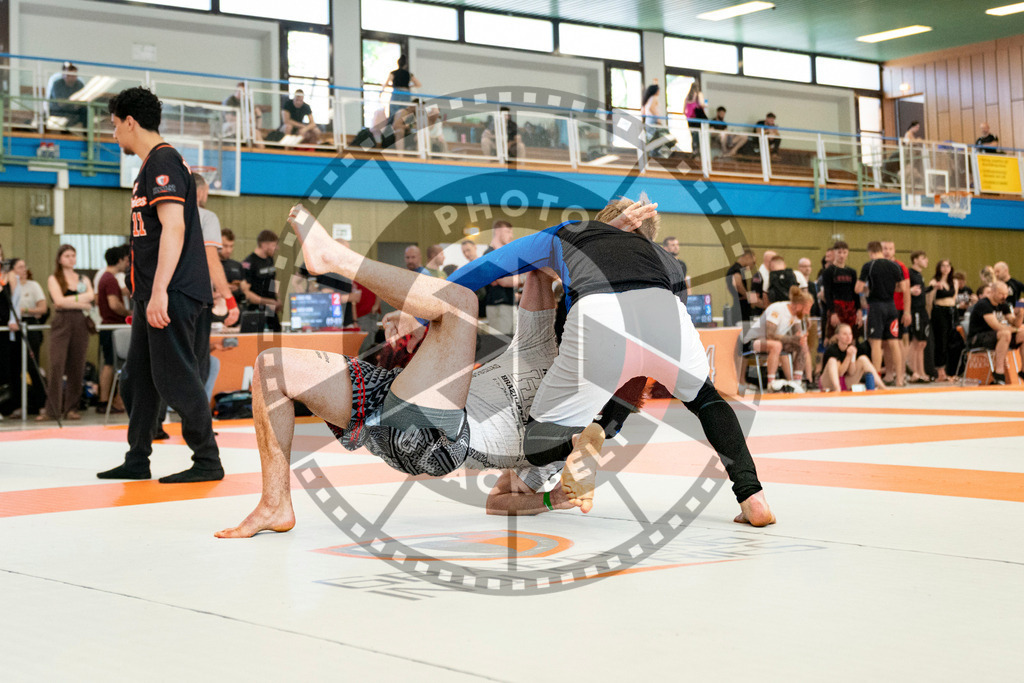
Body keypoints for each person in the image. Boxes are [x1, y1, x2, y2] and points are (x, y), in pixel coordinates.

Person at [215, 211, 576, 538]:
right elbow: (540, 255)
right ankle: (274, 504)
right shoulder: (541, 343)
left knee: (462, 303)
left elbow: (498, 502)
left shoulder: (570, 426)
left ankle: (336, 258)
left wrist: (552, 498)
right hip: (396, 406)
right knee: (273, 367)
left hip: (442, 440)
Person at [443, 197, 774, 525]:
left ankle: (576, 443)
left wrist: (426, 310)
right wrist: (608, 424)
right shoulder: (666, 258)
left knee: (537, 444)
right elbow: (638, 369)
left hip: (596, 322)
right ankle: (752, 495)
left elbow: (486, 268)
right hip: (663, 314)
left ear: (599, 222)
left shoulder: (567, 235)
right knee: (706, 400)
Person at [96, 86, 221, 483]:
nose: (114, 134)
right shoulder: (150, 164)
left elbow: (174, 227)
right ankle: (137, 458)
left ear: (130, 122)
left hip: (172, 291)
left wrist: (161, 290)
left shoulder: (163, 160)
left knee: (176, 376)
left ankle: (207, 460)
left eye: (115, 126)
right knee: (138, 378)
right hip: (150, 291)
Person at [40, 245, 93, 421]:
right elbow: (59, 302)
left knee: (77, 366)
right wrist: (80, 301)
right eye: (67, 255)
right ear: (60, 259)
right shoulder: (54, 278)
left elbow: (91, 297)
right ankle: (52, 409)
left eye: (73, 255)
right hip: (61, 321)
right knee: (56, 364)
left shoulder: (83, 278)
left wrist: (72, 301)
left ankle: (71, 407)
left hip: (80, 322)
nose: (71, 258)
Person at [856, 241, 910, 388]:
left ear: (870, 252)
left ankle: (875, 380)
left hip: (876, 306)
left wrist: (869, 289)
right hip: (891, 307)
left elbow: (857, 288)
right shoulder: (895, 265)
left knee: (876, 343)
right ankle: (899, 379)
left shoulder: (869, 265)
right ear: (881, 250)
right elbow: (903, 287)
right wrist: (889, 288)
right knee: (894, 343)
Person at [744, 286, 813, 388]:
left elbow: (797, 335)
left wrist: (802, 337)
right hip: (752, 341)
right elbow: (770, 335)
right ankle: (771, 383)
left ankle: (797, 382)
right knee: (776, 345)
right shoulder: (778, 309)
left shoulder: (796, 314)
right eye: (807, 309)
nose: (807, 313)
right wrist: (794, 339)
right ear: (798, 305)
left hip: (773, 341)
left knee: (802, 345)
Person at [967, 281, 1024, 385]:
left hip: (997, 338)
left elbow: (1016, 324)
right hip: (978, 338)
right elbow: (997, 327)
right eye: (1001, 294)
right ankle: (999, 373)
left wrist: (1020, 312)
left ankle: (1023, 371)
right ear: (992, 292)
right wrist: (1015, 330)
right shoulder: (983, 304)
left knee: (1023, 333)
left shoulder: (1003, 304)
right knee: (1005, 333)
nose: (1004, 296)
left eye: (1006, 294)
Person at [96, 245, 130, 413]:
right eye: (125, 260)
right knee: (110, 364)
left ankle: (108, 400)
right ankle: (105, 400)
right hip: (112, 326)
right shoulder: (109, 279)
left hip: (110, 326)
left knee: (110, 363)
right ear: (120, 260)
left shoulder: (107, 278)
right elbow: (113, 304)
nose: (127, 264)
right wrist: (129, 313)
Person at [819, 324, 883, 392]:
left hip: (844, 382)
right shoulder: (832, 349)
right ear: (837, 336)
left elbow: (851, 372)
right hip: (828, 382)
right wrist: (848, 356)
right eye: (845, 334)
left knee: (863, 359)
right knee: (832, 361)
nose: (848, 337)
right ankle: (837, 388)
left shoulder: (851, 348)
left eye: (850, 334)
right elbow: (840, 372)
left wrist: (852, 357)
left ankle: (882, 386)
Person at [241, 230, 282, 332]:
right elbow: (246, 293)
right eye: (274, 245)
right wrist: (267, 302)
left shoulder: (270, 259)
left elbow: (273, 279)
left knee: (276, 337)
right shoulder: (249, 263)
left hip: (271, 309)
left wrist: (278, 298)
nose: (277, 248)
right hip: (256, 311)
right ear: (264, 245)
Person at [482, 220, 517, 336]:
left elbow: (509, 280)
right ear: (497, 231)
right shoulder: (489, 254)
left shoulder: (504, 255)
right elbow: (501, 281)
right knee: (501, 344)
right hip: (498, 305)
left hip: (510, 304)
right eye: (507, 232)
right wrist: (520, 279)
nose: (511, 235)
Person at [820, 240, 860, 340]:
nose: (842, 255)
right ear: (834, 253)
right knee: (834, 337)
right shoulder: (828, 272)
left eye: (844, 252)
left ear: (847, 253)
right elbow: (827, 293)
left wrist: (858, 310)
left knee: (851, 337)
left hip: (851, 308)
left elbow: (855, 293)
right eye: (839, 252)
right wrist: (833, 312)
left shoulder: (852, 272)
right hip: (836, 306)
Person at [928, 259, 957, 382]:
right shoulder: (934, 282)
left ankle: (950, 371)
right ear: (939, 268)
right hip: (939, 312)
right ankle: (940, 371)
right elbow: (930, 300)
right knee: (941, 341)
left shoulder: (953, 282)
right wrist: (929, 314)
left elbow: (954, 297)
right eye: (943, 266)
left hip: (951, 310)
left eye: (948, 266)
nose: (945, 268)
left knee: (952, 340)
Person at [906, 251, 931, 383]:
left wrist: (932, 287)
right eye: (923, 258)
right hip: (914, 310)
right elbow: (903, 290)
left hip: (922, 310)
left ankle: (921, 371)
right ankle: (913, 372)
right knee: (915, 342)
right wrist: (910, 291)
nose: (926, 261)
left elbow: (921, 291)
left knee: (922, 343)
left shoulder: (919, 275)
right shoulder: (910, 273)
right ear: (915, 260)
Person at [48, 62, 87, 128]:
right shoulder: (57, 84)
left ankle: (86, 136)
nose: (72, 77)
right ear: (63, 74)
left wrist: (69, 102)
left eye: (74, 75)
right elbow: (60, 103)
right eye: (69, 75)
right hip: (58, 112)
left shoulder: (79, 85)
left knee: (85, 111)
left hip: (74, 112)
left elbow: (82, 102)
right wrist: (74, 103)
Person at [726, 248, 755, 322]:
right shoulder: (736, 269)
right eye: (753, 262)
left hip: (738, 307)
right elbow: (738, 284)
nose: (752, 266)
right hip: (742, 309)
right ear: (748, 257)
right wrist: (748, 296)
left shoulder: (734, 270)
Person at [219, 228, 244, 305]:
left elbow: (245, 290)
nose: (228, 250)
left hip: (235, 306)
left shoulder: (237, 265)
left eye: (231, 246)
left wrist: (239, 287)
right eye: (225, 246)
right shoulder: (210, 265)